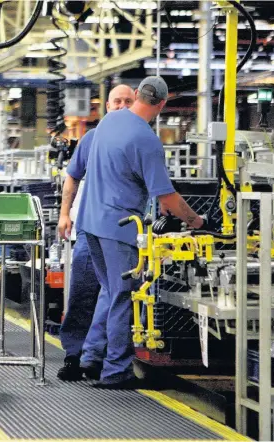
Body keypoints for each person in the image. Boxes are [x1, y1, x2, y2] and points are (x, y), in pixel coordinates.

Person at [78, 76, 208, 389]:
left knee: (110, 292)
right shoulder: (147, 141)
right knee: (123, 295)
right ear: (162, 105)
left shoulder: (108, 122)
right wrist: (196, 221)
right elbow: (168, 198)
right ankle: (115, 372)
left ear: (136, 95)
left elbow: (115, 172)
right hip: (118, 228)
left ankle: (91, 356)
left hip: (90, 223)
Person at [56, 84, 135, 381]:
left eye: (128, 101)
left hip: (123, 231)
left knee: (113, 294)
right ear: (107, 106)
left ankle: (96, 358)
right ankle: (75, 355)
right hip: (89, 227)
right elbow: (72, 177)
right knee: (84, 291)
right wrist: (65, 214)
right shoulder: (91, 139)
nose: (122, 106)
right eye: (117, 101)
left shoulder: (139, 138)